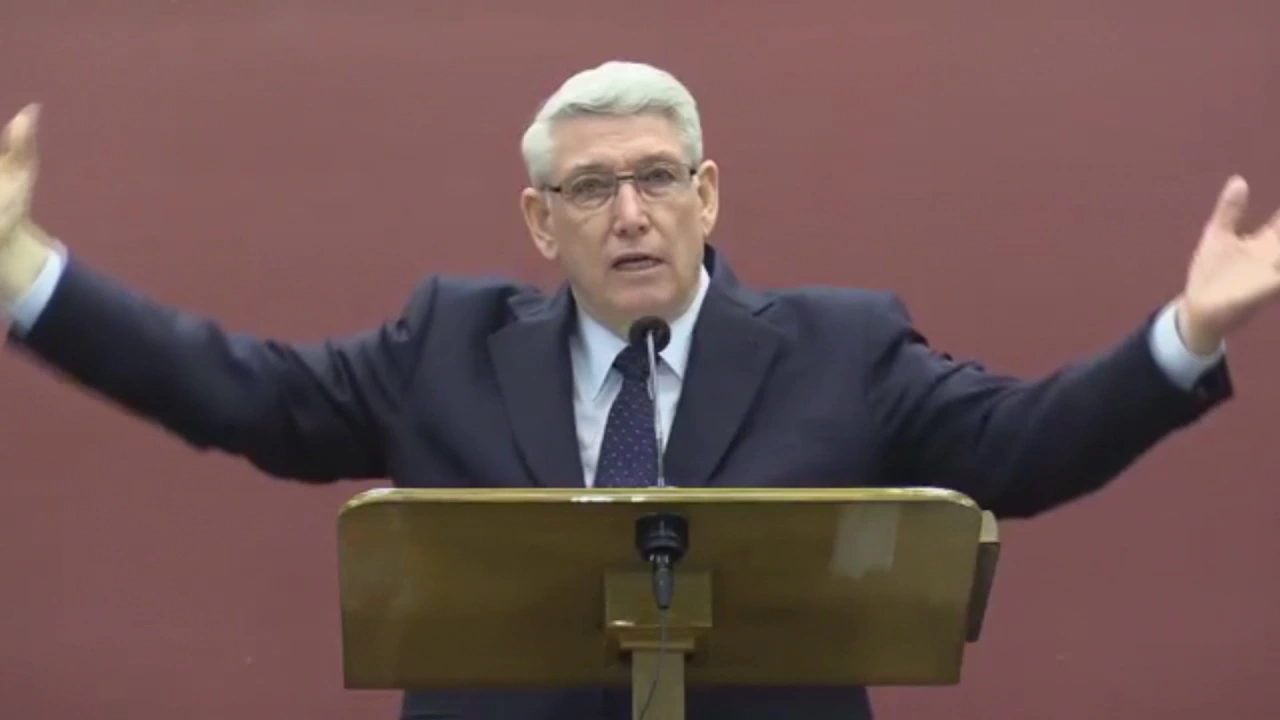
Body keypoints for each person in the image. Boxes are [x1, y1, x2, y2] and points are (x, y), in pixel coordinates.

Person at [0, 60, 1276, 720]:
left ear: (705, 196)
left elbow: (1025, 446)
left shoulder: (838, 349)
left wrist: (1183, 334)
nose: (629, 213)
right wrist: (26, 276)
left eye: (658, 178)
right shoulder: (446, 344)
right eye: (590, 188)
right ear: (539, 221)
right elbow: (242, 394)